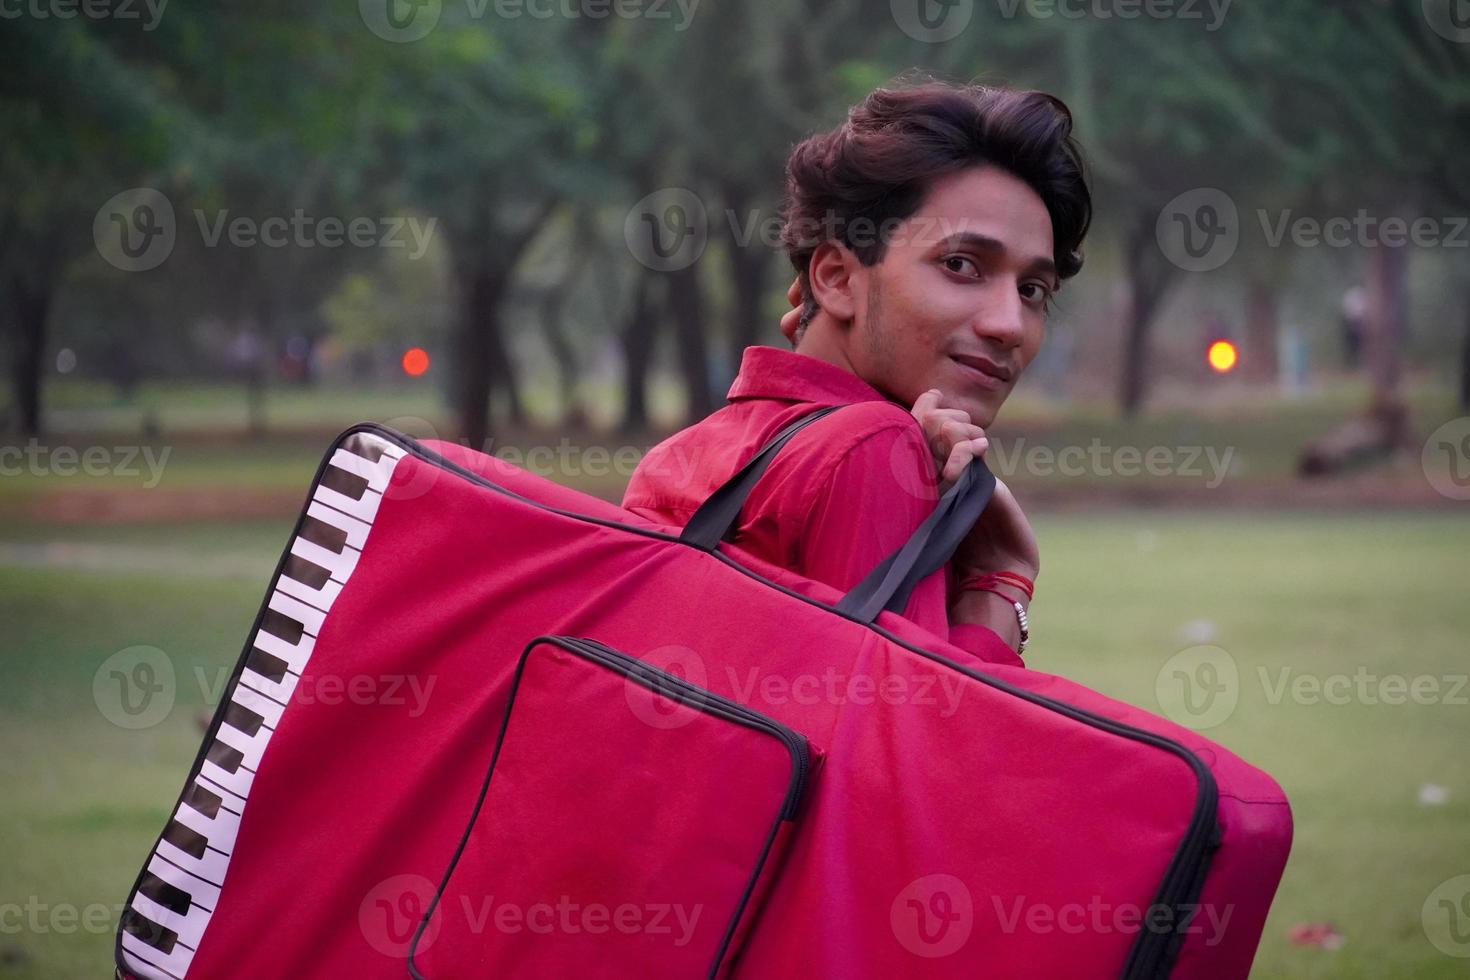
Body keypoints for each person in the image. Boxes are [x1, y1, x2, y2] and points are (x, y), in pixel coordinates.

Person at [623, 79, 1091, 667]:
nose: (1010, 325)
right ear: (838, 278)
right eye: (961, 264)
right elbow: (915, 742)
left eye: (1031, 290)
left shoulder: (687, 453)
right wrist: (1000, 582)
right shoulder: (872, 446)